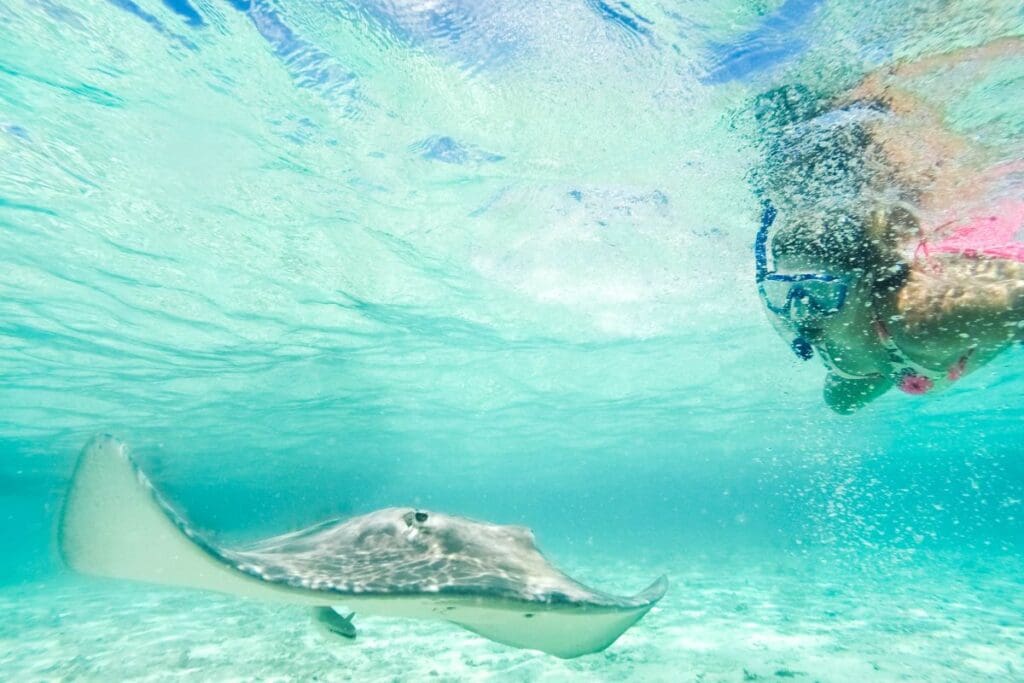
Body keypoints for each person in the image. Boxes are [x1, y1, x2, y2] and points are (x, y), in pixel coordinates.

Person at [751, 38, 1024, 414]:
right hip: (890, 358)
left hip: (939, 335)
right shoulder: (826, 329)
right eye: (787, 290)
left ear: (868, 284)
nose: (800, 309)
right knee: (840, 403)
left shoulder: (924, 318)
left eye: (819, 290)